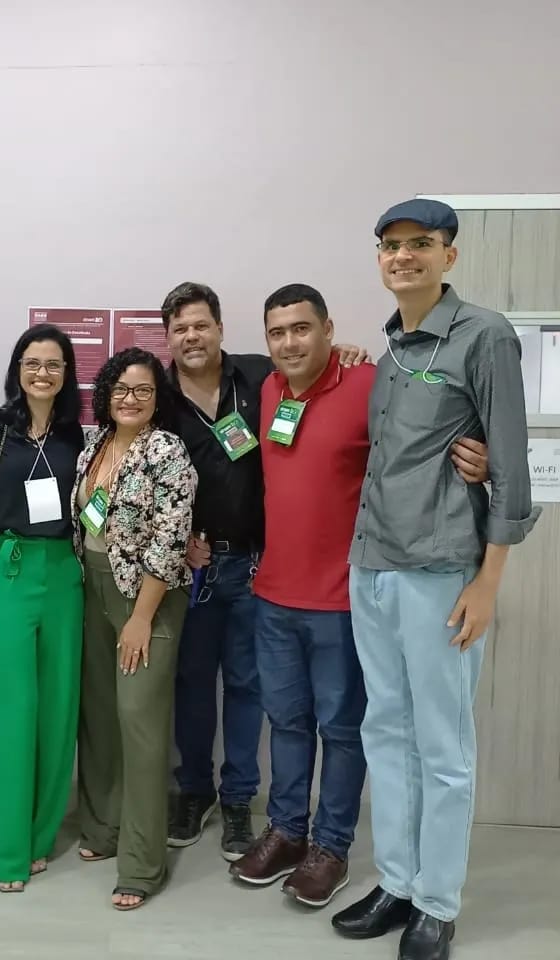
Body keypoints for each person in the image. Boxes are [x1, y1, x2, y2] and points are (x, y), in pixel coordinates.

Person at [229, 284, 489, 910]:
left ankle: (331, 847)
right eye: (277, 332)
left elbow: (421, 446)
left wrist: (480, 463)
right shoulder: (266, 389)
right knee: (286, 722)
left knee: (344, 730)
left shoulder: (369, 384)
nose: (289, 342)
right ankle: (288, 831)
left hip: (346, 598)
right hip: (274, 595)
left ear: (328, 330)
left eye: (302, 329)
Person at [331, 199, 539, 960]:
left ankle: (438, 903)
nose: (403, 256)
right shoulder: (390, 349)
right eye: (391, 245)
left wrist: (487, 582)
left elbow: (510, 467)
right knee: (385, 731)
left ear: (448, 255)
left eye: (420, 243)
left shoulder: (484, 335)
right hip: (373, 567)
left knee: (442, 745)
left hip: (443, 573)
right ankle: (397, 881)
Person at [163, 281, 368, 861]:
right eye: (180, 328)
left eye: (201, 325)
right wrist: (176, 542)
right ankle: (194, 790)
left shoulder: (258, 376)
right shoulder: (158, 392)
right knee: (192, 684)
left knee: (250, 685)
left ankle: (238, 799)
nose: (192, 336)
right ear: (168, 338)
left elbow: (313, 368)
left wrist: (344, 351)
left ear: (220, 329)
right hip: (194, 569)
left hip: (257, 564)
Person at [0, 323, 85, 893]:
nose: (42, 373)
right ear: (17, 369)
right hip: (5, 572)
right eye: (32, 363)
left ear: (67, 373)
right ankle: (5, 852)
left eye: (53, 364)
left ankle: (39, 837)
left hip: (64, 574)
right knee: (12, 713)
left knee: (58, 710)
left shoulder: (75, 434)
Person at [72, 348, 197, 911]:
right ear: (105, 393)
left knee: (139, 722)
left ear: (157, 398)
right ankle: (103, 829)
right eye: (121, 389)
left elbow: (171, 540)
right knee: (99, 716)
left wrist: (142, 617)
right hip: (93, 590)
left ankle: (143, 865)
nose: (130, 399)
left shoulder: (166, 451)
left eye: (143, 390)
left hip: (147, 598)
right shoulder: (93, 445)